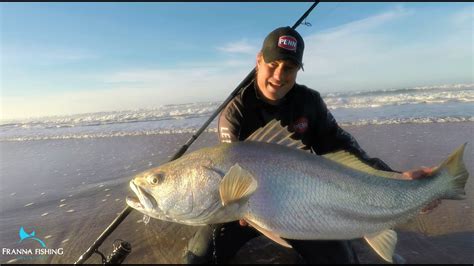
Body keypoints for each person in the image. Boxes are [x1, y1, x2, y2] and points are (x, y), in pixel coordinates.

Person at [182, 26, 440, 264]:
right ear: (259, 60)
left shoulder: (309, 102)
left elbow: (343, 148)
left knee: (343, 262)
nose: (279, 76)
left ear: (298, 70)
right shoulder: (236, 112)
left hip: (303, 206)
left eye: (289, 68)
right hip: (242, 210)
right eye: (273, 64)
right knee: (198, 259)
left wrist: (395, 178)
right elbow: (231, 174)